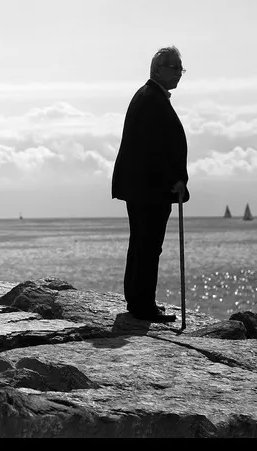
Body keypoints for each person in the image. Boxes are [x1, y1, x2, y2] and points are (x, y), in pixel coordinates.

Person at [111, 46, 190, 323]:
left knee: (144, 244)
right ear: (158, 69)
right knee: (147, 244)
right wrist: (174, 179)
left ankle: (139, 301)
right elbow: (153, 149)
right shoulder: (150, 99)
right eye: (175, 68)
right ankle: (142, 305)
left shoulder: (150, 97)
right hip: (150, 188)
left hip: (145, 187)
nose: (180, 73)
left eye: (181, 68)